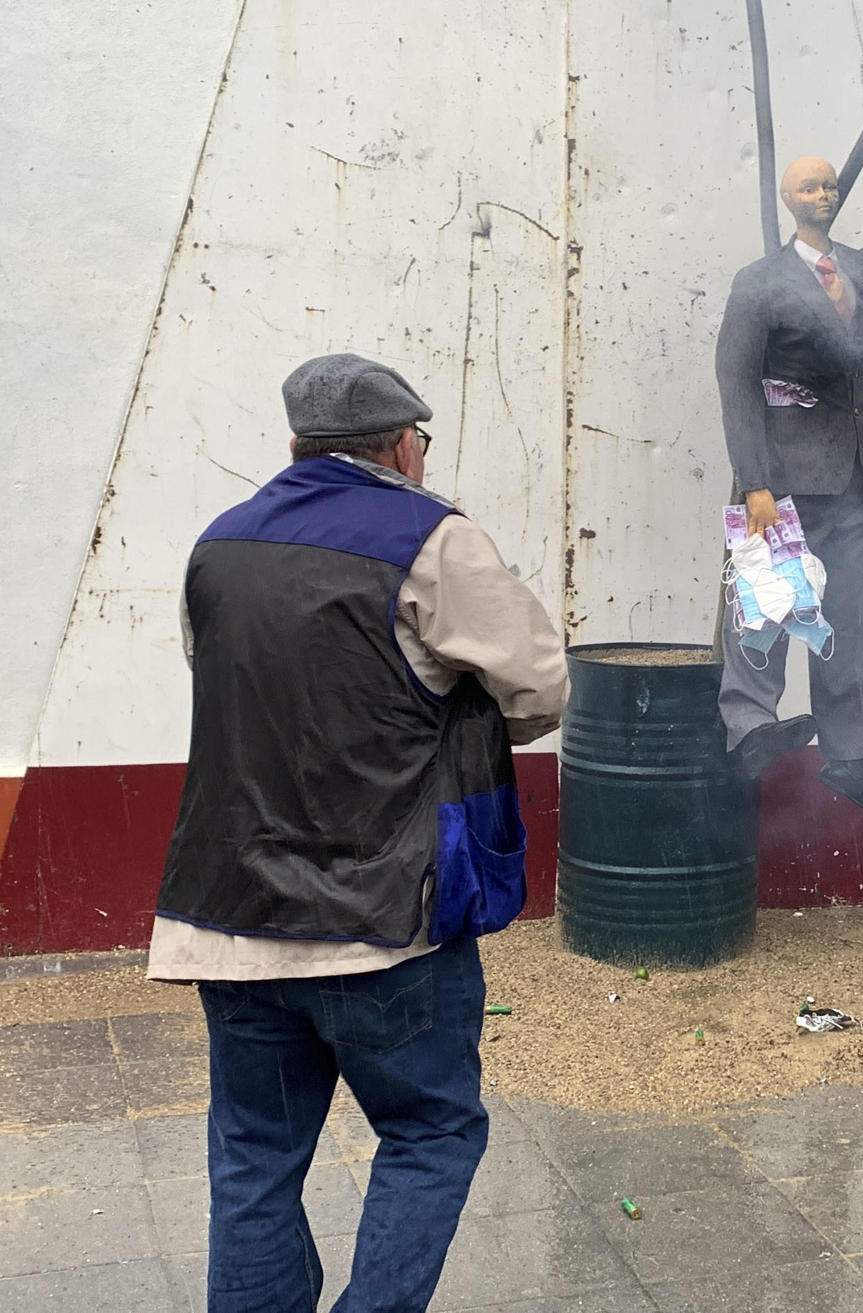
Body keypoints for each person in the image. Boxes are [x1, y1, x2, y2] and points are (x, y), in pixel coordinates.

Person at [148, 353, 569, 1313]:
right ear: (399, 445)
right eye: (423, 439)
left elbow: (225, 679)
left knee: (255, 1158)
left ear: (297, 445)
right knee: (431, 1131)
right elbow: (542, 686)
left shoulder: (218, 543)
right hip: (388, 914)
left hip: (232, 915)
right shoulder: (435, 539)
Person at [714, 154, 863, 820]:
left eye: (828, 184)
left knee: (843, 617)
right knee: (765, 602)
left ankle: (845, 753)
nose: (821, 194)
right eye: (808, 186)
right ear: (786, 197)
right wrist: (755, 482)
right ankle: (748, 727)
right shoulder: (760, 284)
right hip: (784, 476)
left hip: (854, 476)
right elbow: (738, 385)